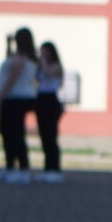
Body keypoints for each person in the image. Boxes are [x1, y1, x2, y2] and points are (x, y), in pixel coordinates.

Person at [0, 28, 39, 179]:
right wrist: (8, 45)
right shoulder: (29, 58)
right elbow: (9, 60)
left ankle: (21, 168)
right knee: (13, 133)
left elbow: (11, 79)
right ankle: (12, 166)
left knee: (12, 134)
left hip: (14, 99)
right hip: (22, 98)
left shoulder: (20, 59)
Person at [34, 42, 67, 177]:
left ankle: (55, 168)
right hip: (41, 99)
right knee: (43, 136)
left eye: (46, 51)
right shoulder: (41, 66)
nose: (43, 54)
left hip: (51, 100)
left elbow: (48, 73)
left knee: (51, 135)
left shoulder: (56, 66)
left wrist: (42, 60)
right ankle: (47, 168)